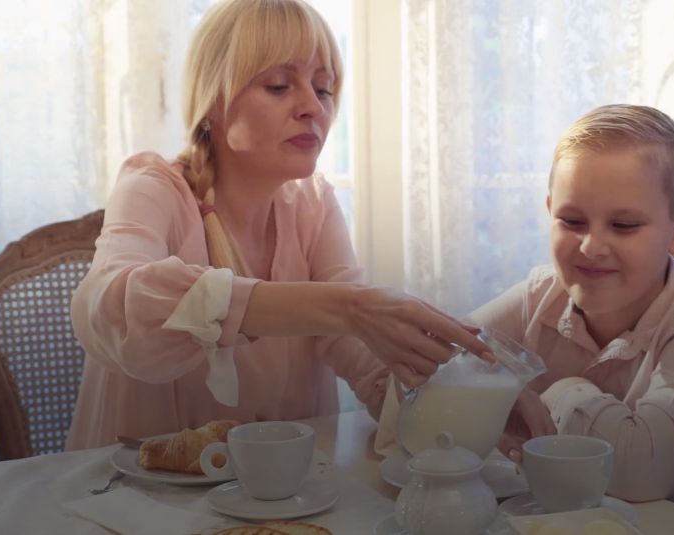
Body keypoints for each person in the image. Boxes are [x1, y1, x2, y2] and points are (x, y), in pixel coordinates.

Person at [65, 0, 490, 450]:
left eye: (324, 89)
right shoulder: (153, 188)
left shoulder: (313, 204)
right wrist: (349, 307)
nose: (312, 107)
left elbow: (360, 354)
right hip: (132, 487)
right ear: (213, 101)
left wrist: (466, 400)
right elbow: (109, 307)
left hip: (280, 489)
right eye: (279, 86)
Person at [379, 104, 674, 526]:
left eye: (624, 226)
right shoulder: (541, 295)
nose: (591, 247)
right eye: (572, 220)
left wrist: (552, 394)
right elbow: (422, 366)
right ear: (549, 210)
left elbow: (641, 471)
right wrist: (493, 394)